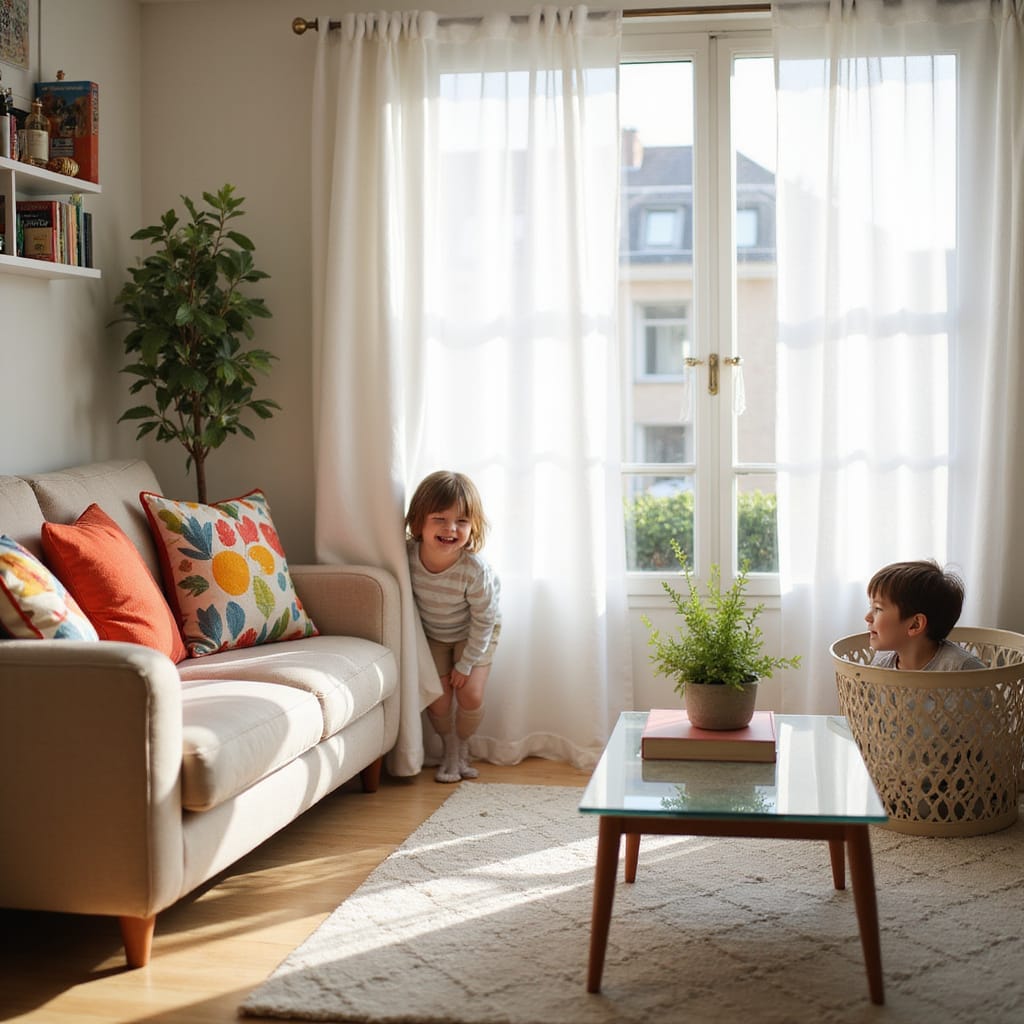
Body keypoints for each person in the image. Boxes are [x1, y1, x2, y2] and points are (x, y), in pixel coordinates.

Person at [406, 470, 501, 783]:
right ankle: (449, 748)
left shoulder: (474, 570)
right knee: (439, 699)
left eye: (461, 521)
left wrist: (466, 663)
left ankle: (462, 746)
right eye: (440, 519)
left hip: (474, 632)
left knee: (470, 694)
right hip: (434, 634)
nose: (451, 529)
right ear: (419, 521)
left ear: (473, 526)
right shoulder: (405, 557)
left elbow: (484, 620)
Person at [864, 559, 984, 670]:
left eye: (878, 609)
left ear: (915, 625)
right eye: (871, 607)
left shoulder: (962, 668)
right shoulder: (881, 662)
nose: (867, 617)